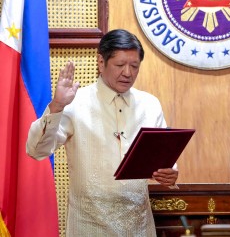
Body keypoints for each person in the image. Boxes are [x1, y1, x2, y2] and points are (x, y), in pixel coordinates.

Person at [26, 29, 178, 236]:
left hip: (138, 226)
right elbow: (36, 150)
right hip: (89, 226)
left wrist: (169, 172)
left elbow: (164, 157)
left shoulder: (149, 104)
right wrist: (57, 106)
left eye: (134, 66)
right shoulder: (75, 102)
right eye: (119, 65)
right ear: (101, 62)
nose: (127, 73)